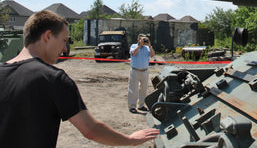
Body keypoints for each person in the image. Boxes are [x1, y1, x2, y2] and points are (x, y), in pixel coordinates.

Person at [0, 10, 159, 147]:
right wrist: (131, 139)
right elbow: (91, 130)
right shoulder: (53, 79)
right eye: (63, 40)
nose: (64, 49)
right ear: (47, 36)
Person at [128, 33, 155, 113]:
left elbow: (153, 55)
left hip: (145, 71)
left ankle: (141, 105)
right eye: (142, 39)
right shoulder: (133, 46)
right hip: (135, 70)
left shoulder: (147, 48)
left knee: (143, 89)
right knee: (133, 89)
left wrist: (149, 45)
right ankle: (132, 106)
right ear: (138, 39)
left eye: (145, 39)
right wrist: (139, 45)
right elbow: (133, 53)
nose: (143, 41)